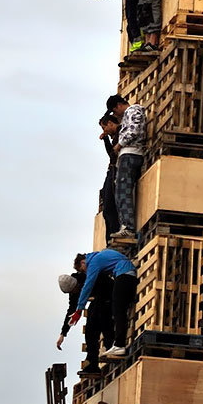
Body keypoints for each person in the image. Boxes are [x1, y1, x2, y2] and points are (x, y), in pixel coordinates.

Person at [68, 249, 138, 358]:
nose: (86, 273)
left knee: (118, 311)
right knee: (120, 308)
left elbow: (88, 285)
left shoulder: (93, 262)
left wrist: (79, 309)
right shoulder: (99, 256)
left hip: (124, 275)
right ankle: (118, 344)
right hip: (128, 275)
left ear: (83, 262)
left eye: (83, 270)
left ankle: (119, 345)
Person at [58, 261, 114, 377]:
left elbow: (107, 283)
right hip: (98, 302)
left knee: (99, 315)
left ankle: (111, 346)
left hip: (110, 294)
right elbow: (72, 311)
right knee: (90, 329)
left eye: (75, 290)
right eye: (73, 292)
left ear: (76, 284)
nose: (76, 293)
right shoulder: (74, 292)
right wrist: (63, 333)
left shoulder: (87, 276)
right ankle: (92, 363)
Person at [106, 94, 146, 239]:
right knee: (121, 191)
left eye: (113, 111)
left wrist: (119, 144)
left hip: (130, 154)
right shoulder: (130, 114)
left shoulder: (132, 111)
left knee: (123, 191)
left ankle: (128, 227)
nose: (115, 114)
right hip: (129, 155)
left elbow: (133, 131)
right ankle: (126, 226)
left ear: (117, 106)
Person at [98, 112, 120, 243]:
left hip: (114, 171)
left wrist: (106, 139)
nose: (104, 131)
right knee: (107, 208)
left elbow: (112, 154)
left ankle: (112, 235)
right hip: (111, 171)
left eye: (104, 127)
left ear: (111, 124)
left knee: (110, 207)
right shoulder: (115, 137)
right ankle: (110, 237)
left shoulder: (119, 135)